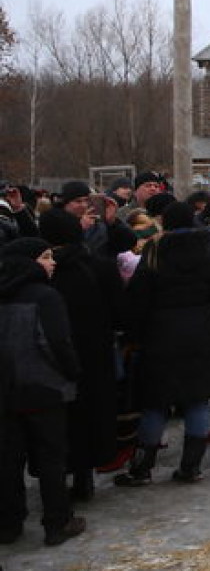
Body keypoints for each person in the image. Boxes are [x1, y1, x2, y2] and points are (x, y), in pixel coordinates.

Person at [115, 201, 210, 486]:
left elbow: (138, 300)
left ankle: (142, 469)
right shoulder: (209, 251)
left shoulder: (154, 252)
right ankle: (191, 467)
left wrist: (134, 337)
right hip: (201, 332)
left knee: (155, 403)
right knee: (197, 400)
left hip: (160, 336)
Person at [0, 237, 84, 545]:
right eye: (46, 257)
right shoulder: (45, 297)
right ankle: (57, 521)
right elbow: (57, 342)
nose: (52, 263)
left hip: (8, 392)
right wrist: (72, 371)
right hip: (44, 387)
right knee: (51, 456)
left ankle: (9, 522)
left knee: (9, 459)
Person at [38, 208, 122, 502]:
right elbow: (118, 312)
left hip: (47, 356)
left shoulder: (40, 272)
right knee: (90, 413)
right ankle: (84, 475)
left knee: (54, 420)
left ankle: (57, 478)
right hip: (93, 353)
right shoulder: (99, 266)